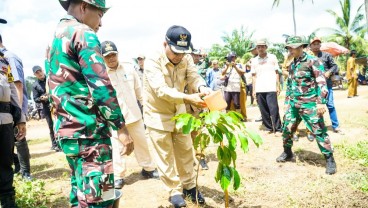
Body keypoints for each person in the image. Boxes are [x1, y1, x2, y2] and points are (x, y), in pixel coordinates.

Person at [48, 1, 133, 207]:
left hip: (69, 133)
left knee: (80, 193)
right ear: (84, 7)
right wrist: (120, 127)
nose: (101, 23)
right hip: (90, 134)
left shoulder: (56, 38)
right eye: (100, 14)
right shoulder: (83, 33)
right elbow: (101, 86)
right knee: (100, 197)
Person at [144, 25, 210, 207]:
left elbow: (193, 77)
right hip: (157, 114)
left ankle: (189, 186)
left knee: (186, 150)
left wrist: (202, 88)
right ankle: (174, 191)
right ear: (165, 44)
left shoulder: (186, 58)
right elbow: (161, 90)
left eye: (183, 53)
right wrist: (189, 97)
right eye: (175, 52)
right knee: (165, 155)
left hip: (180, 114)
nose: (179, 56)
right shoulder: (152, 60)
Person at [101, 40, 158, 189]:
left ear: (118, 54)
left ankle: (148, 169)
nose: (111, 58)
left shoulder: (129, 68)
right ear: (102, 58)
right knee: (117, 148)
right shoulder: (102, 75)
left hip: (134, 115)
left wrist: (146, 107)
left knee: (141, 143)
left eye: (113, 54)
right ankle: (119, 176)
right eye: (107, 56)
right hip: (115, 119)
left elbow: (140, 91)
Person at [277, 36, 336, 175]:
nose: (290, 50)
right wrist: (286, 104)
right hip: (294, 104)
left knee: (319, 131)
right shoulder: (293, 64)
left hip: (310, 103)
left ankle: (329, 159)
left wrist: (321, 101)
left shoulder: (313, 61)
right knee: (287, 128)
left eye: (293, 47)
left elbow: (321, 81)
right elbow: (290, 85)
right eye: (289, 47)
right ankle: (287, 152)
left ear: (300, 47)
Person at [0, 17, 27, 207]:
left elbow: (11, 88)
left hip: (4, 122)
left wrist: (21, 119)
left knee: (4, 165)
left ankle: (9, 202)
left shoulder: (4, 62)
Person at [0, 34, 32, 180]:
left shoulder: (8, 57)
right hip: (10, 105)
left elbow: (17, 85)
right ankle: (19, 168)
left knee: (19, 138)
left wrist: (18, 113)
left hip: (14, 104)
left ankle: (26, 173)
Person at [310, 37, 342, 134]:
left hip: (326, 86)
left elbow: (335, 66)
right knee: (314, 107)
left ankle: (336, 126)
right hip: (313, 87)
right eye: (314, 44)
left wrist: (329, 72)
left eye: (318, 44)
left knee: (330, 105)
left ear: (320, 45)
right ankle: (319, 127)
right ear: (310, 46)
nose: (316, 46)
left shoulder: (326, 55)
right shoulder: (307, 57)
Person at [251, 39, 282, 133]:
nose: (261, 48)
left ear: (266, 47)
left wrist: (277, 85)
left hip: (271, 87)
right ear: (256, 49)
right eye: (258, 47)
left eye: (263, 46)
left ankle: (278, 128)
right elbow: (254, 76)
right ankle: (268, 127)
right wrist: (253, 90)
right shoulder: (254, 60)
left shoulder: (272, 57)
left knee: (274, 109)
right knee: (263, 110)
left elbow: (277, 72)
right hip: (260, 88)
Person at [32, 66, 60, 152]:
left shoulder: (51, 78)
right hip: (47, 107)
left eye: (40, 71)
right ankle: (54, 144)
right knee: (51, 125)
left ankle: (63, 142)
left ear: (43, 70)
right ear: (34, 74)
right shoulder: (35, 85)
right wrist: (41, 98)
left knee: (60, 123)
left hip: (57, 105)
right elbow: (35, 99)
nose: (39, 73)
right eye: (37, 72)